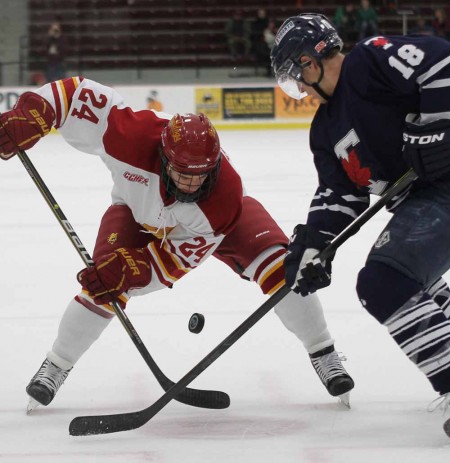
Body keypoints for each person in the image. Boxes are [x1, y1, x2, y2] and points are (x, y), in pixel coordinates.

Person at [0, 77, 354, 412]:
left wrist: (135, 269)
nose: (191, 182)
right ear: (164, 157)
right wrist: (33, 113)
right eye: (182, 172)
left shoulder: (222, 198)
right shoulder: (128, 135)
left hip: (214, 225)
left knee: (281, 268)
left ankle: (324, 353)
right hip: (135, 211)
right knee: (102, 284)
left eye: (201, 173)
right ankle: (56, 365)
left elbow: (175, 260)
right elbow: (75, 94)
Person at [270, 13, 450, 436]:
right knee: (408, 281)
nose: (298, 88)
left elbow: (443, 63)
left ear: (308, 62)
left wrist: (439, 128)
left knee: (385, 282)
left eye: (294, 76)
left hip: (444, 186)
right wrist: (315, 243)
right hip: (423, 198)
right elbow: (341, 194)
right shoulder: (326, 128)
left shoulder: (368, 62)